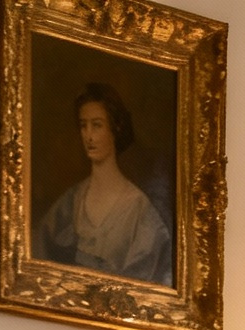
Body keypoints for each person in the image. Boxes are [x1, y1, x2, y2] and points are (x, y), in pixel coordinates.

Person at [32, 82, 172, 287]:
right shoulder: (72, 201)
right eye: (83, 125)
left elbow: (154, 283)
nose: (89, 135)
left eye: (97, 125)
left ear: (115, 128)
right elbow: (37, 254)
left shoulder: (140, 211)